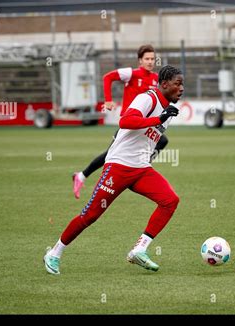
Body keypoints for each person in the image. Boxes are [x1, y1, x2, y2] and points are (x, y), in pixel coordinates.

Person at [44, 65, 184, 275]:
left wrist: (150, 148)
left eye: (182, 84)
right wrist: (158, 119)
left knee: (170, 200)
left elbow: (149, 139)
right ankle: (54, 253)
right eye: (178, 84)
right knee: (90, 215)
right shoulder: (148, 98)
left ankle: (139, 249)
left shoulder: (169, 110)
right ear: (164, 84)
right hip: (118, 166)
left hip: (141, 168)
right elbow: (125, 121)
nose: (182, 88)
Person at [72, 44, 169, 199]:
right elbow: (107, 77)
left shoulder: (156, 79)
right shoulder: (132, 73)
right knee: (109, 156)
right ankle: (81, 176)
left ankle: (142, 164)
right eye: (147, 59)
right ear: (140, 61)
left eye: (152, 59)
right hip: (129, 126)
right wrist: (108, 100)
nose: (150, 61)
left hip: (143, 127)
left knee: (162, 141)